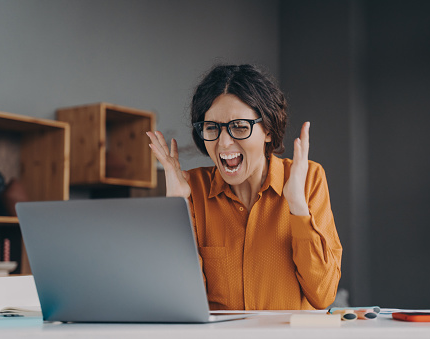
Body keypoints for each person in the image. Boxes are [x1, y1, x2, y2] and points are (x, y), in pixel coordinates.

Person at [146, 64, 342, 310]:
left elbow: (323, 295)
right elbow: (180, 302)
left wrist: (297, 207)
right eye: (212, 128)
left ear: (268, 130)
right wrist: (177, 206)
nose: (224, 142)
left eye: (239, 126)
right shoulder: (191, 189)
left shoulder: (309, 179)